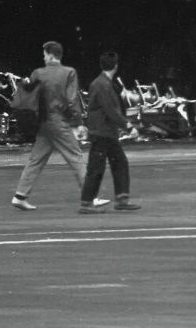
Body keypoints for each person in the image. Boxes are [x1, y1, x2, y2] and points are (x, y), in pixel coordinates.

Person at [10, 41, 109, 211]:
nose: (43, 57)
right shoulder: (69, 72)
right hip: (58, 121)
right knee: (75, 157)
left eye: (44, 54)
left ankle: (20, 196)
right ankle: (90, 197)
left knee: (36, 159)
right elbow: (71, 100)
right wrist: (77, 123)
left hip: (42, 122)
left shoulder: (37, 73)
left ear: (50, 55)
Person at [79, 52, 142, 214]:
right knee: (97, 168)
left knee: (119, 163)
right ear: (115, 66)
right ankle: (87, 203)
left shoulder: (102, 83)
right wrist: (128, 126)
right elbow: (110, 110)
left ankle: (121, 199)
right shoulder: (103, 85)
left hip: (106, 132)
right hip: (103, 132)